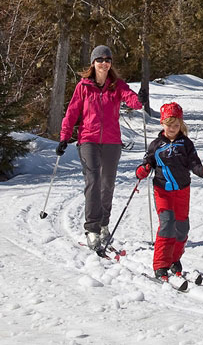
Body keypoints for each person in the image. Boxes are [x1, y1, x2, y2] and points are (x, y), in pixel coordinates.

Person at [57, 45, 142, 252]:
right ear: (93, 63)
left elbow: (132, 100)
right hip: (88, 140)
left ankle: (104, 223)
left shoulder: (117, 85)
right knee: (93, 181)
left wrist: (140, 100)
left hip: (112, 142)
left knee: (107, 184)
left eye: (107, 59)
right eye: (100, 60)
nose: (104, 63)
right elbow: (72, 112)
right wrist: (64, 137)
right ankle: (92, 228)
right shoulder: (83, 87)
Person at [136, 101, 203, 281]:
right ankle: (160, 265)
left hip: (182, 191)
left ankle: (174, 260)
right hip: (162, 190)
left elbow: (194, 165)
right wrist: (143, 170)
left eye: (176, 125)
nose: (172, 128)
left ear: (181, 124)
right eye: (169, 124)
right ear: (162, 123)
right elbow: (146, 163)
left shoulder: (186, 144)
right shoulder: (156, 145)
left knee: (182, 228)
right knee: (167, 224)